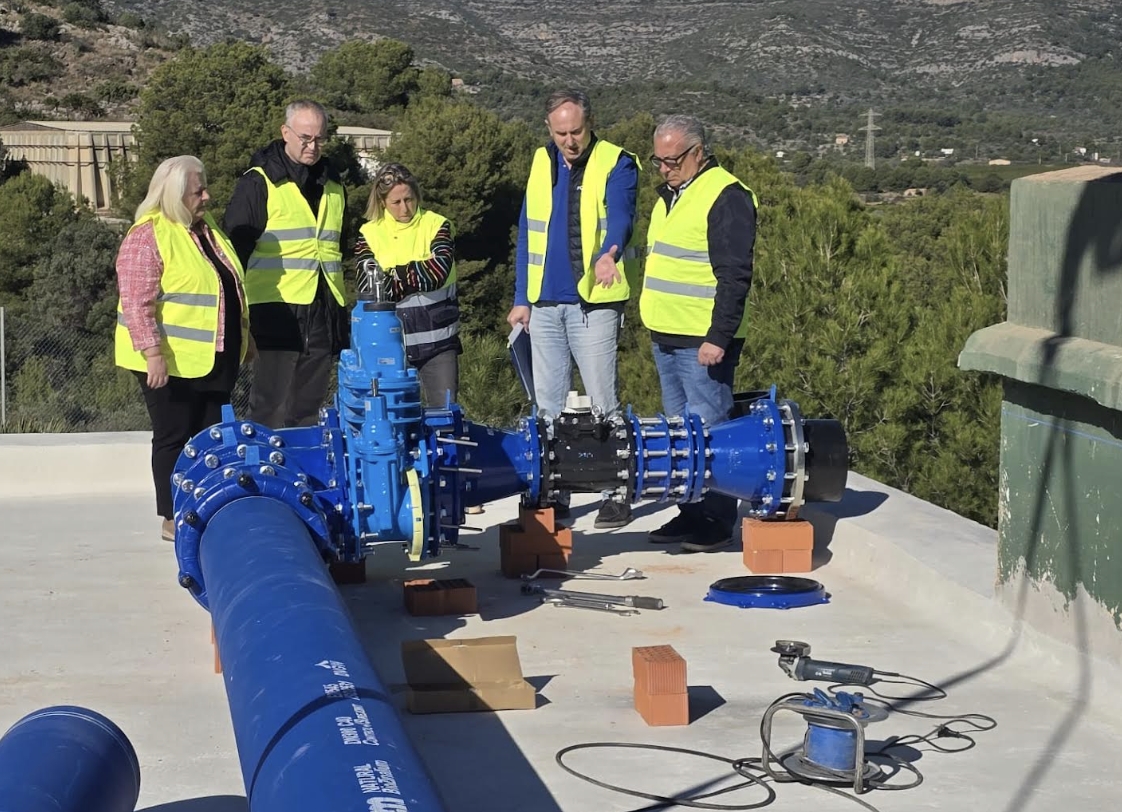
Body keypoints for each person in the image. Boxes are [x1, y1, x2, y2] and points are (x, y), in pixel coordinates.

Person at [505, 88, 641, 529]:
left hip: (593, 305)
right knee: (547, 406)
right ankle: (555, 489)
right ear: (549, 129)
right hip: (544, 304)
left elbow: (621, 215)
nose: (570, 140)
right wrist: (521, 299)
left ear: (590, 124)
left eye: (577, 130)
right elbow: (529, 230)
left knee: (604, 401)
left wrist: (611, 253)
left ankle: (616, 490)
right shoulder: (541, 162)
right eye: (561, 132)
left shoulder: (616, 162)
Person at [114, 155, 252, 542]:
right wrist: (151, 353)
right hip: (167, 362)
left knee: (209, 435)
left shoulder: (206, 232)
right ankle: (173, 517)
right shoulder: (148, 235)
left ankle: (206, 506)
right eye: (198, 191)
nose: (207, 196)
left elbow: (230, 290)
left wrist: (247, 338)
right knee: (174, 436)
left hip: (214, 356)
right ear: (174, 195)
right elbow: (136, 300)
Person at [640, 115, 758, 553]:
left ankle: (717, 519)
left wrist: (718, 336)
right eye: (659, 161)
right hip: (665, 334)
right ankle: (691, 512)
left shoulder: (726, 196)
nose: (665, 169)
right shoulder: (668, 197)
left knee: (711, 431)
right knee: (680, 433)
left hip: (702, 341)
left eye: (673, 160)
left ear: (697, 152)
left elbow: (734, 275)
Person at [223, 99, 348, 428]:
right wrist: (240, 316)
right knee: (269, 407)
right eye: (306, 137)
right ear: (285, 133)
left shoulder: (334, 185)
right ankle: (265, 473)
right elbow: (234, 251)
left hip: (322, 309)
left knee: (308, 408)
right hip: (275, 310)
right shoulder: (258, 182)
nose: (313, 145)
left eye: (320, 138)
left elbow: (337, 247)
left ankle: (302, 476)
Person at [354, 163, 460, 405]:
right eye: (396, 202)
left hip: (438, 343)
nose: (405, 208)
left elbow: (437, 272)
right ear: (382, 203)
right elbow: (368, 284)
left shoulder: (437, 225)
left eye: (409, 199)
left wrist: (392, 277)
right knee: (394, 420)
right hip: (389, 346)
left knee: (444, 418)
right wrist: (415, 272)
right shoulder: (368, 233)